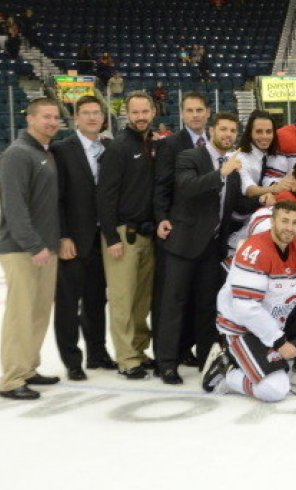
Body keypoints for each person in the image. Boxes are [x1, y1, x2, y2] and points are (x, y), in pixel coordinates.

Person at [202, 200, 296, 400]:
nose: (289, 227)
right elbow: (246, 309)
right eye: (284, 221)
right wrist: (278, 341)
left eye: (295, 222)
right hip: (244, 329)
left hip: (277, 320)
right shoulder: (254, 250)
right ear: (272, 221)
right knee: (275, 390)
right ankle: (226, 372)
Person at [155, 113, 257, 385]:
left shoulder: (234, 166)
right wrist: (220, 173)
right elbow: (187, 188)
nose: (227, 134)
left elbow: (235, 205)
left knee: (207, 309)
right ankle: (166, 363)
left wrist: (265, 199)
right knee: (173, 305)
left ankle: (205, 359)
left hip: (212, 248)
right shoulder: (191, 157)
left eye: (232, 131)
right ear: (212, 130)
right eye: (223, 129)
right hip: (184, 245)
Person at [0, 98, 61, 400]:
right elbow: (14, 206)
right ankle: (11, 378)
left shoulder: (44, 152)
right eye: (46, 117)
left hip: (45, 249)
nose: (52, 122)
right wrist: (33, 244)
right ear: (31, 119)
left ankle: (28, 368)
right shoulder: (17, 154)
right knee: (20, 315)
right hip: (23, 249)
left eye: (56, 117)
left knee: (38, 314)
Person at [52, 96, 116, 382]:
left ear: (104, 118)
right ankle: (71, 360)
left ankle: (97, 353)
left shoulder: (110, 148)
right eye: (86, 113)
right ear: (75, 118)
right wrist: (63, 235)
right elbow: (58, 198)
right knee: (68, 302)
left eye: (96, 113)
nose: (92, 118)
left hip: (102, 239)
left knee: (95, 300)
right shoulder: (62, 150)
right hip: (74, 239)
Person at [96, 91, 157, 379]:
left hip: (147, 234)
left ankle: (139, 350)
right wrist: (111, 237)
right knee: (122, 300)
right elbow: (104, 197)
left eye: (145, 111)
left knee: (141, 300)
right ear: (127, 115)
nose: (141, 117)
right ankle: (126, 358)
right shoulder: (118, 148)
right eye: (135, 112)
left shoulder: (152, 145)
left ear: (154, 112)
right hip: (123, 234)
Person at [154, 91, 211, 368]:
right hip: (182, 232)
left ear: (208, 112)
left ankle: (188, 349)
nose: (195, 115)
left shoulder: (217, 143)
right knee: (174, 300)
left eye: (200, 109)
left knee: (200, 300)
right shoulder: (171, 144)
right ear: (182, 114)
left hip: (209, 237)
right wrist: (162, 217)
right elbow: (162, 186)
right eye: (190, 110)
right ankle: (167, 360)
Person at [235, 109, 289, 205]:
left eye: (268, 132)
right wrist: (274, 188)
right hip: (243, 216)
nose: (264, 136)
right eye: (259, 132)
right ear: (250, 133)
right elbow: (249, 190)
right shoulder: (240, 158)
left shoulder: (277, 156)